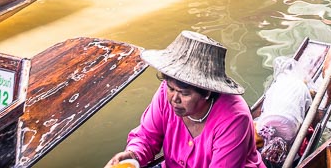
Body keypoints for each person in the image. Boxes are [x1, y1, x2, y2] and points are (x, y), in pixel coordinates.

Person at [103, 31, 263, 168]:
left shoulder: (234, 117)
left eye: (185, 93)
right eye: (171, 89)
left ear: (207, 92)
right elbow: (147, 136)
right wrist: (133, 154)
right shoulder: (165, 93)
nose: (174, 98)